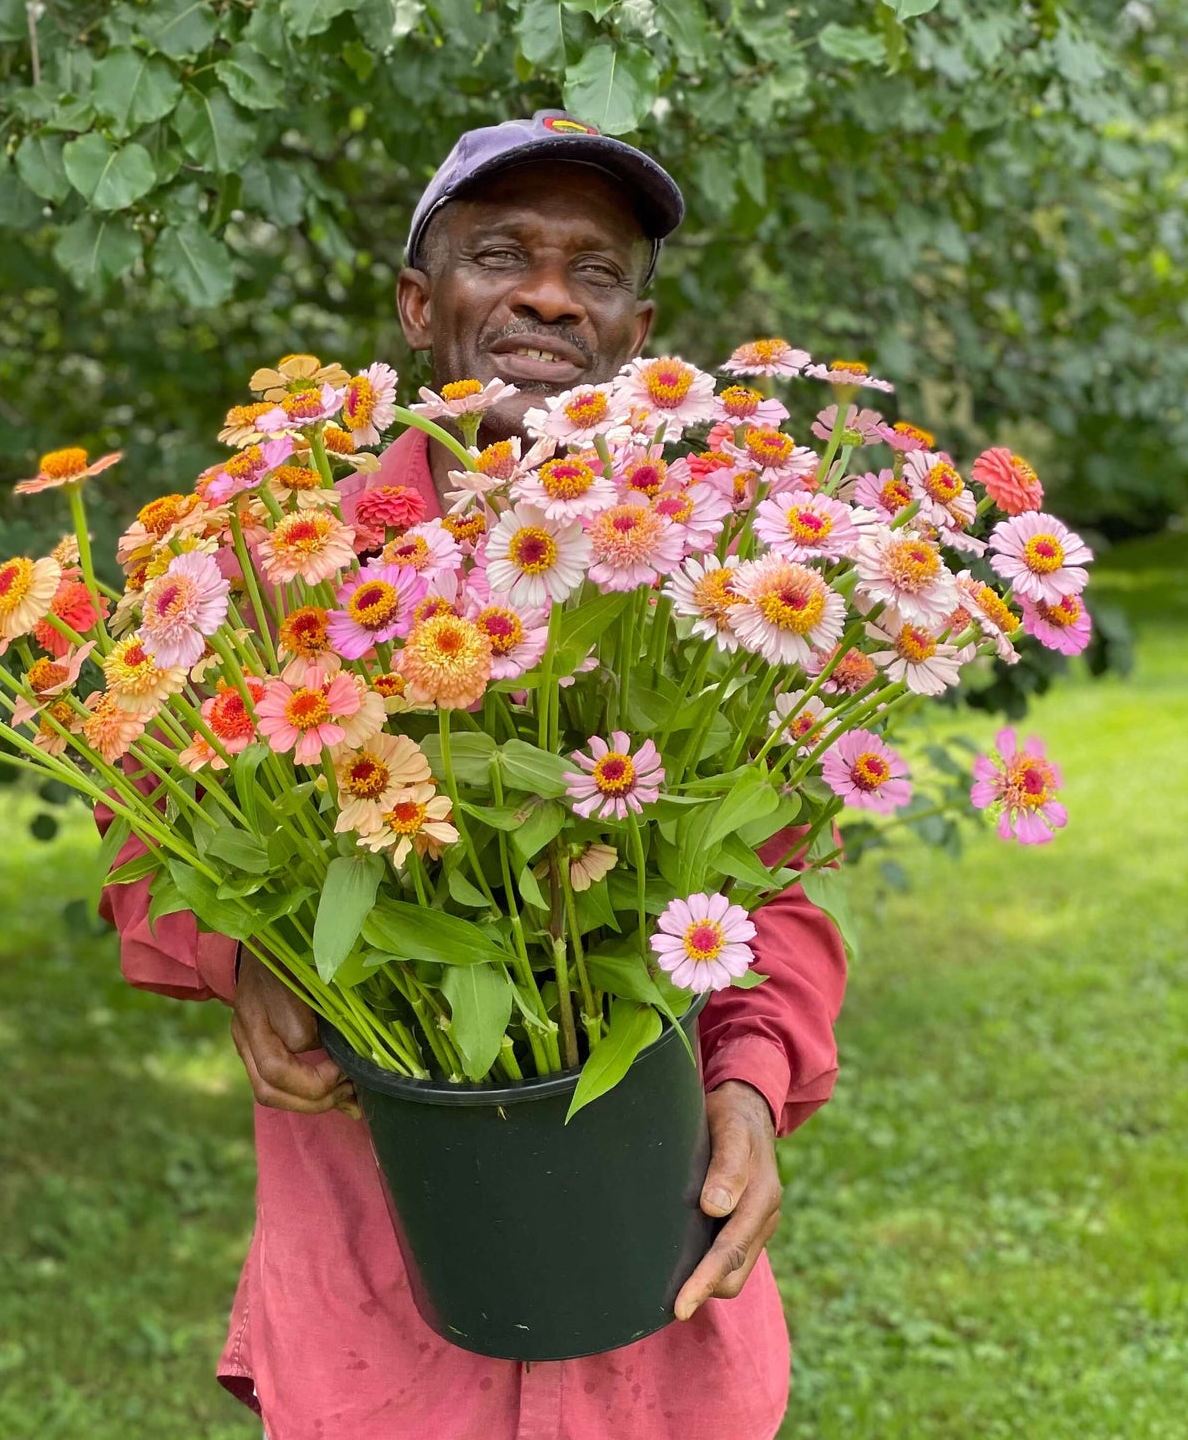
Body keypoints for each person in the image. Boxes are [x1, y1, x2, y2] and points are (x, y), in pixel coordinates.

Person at [100, 111, 846, 1440]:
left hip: (652, 1286)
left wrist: (749, 1078)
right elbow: (142, 829)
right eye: (502, 253)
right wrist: (251, 958)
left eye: (597, 271)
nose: (550, 292)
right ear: (416, 303)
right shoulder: (272, 571)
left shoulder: (709, 597)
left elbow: (767, 883)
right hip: (377, 1290)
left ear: (638, 333)